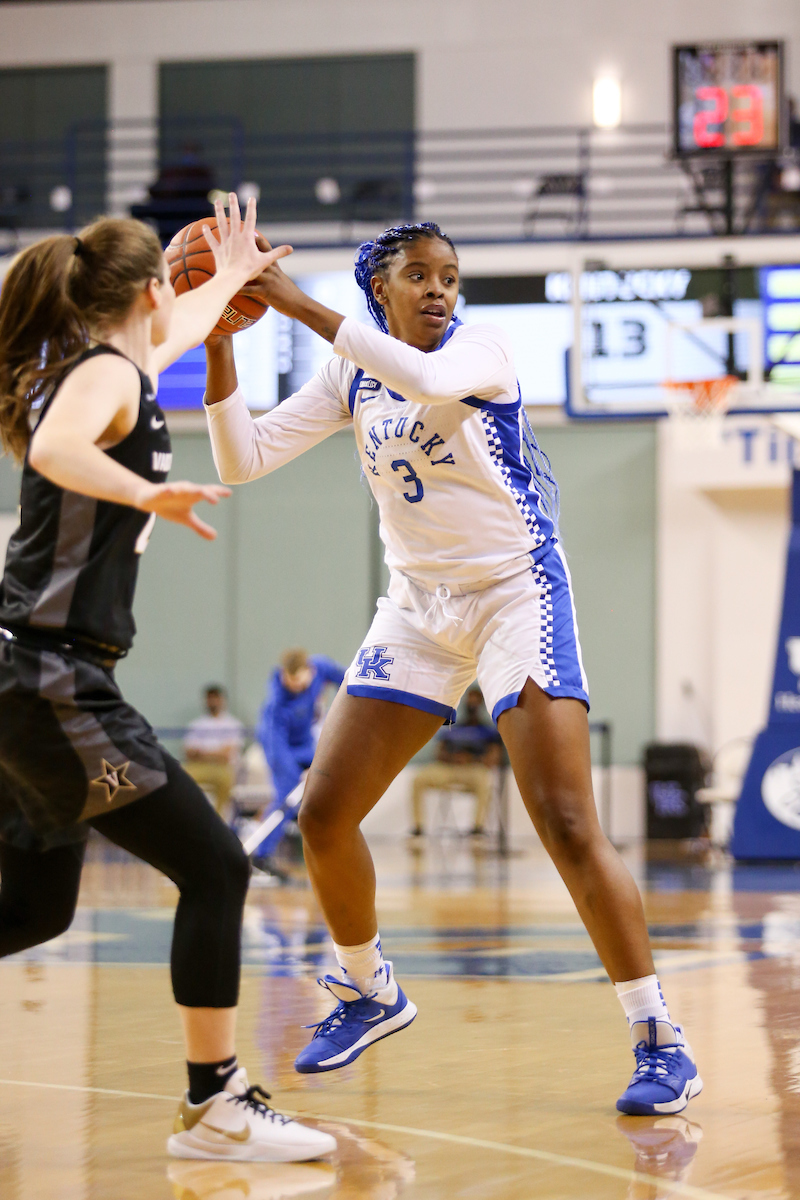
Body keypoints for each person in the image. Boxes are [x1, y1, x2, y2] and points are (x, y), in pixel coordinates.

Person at [202, 220, 702, 1116]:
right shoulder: (351, 370)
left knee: (563, 816)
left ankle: (659, 1034)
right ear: (379, 292)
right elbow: (241, 460)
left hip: (518, 589)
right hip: (420, 606)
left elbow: (427, 381)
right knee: (323, 813)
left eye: (449, 276)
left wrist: (289, 302)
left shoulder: (481, 346)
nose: (439, 290)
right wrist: (217, 348)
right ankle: (369, 988)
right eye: (417, 276)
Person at [0, 195, 335, 1163]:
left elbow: (180, 327)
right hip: (50, 678)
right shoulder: (102, 376)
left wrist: (229, 272)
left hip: (33, 677)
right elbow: (61, 450)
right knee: (216, 866)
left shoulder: (121, 361)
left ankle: (214, 1106)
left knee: (35, 908)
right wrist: (149, 491)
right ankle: (215, 1105)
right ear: (148, 290)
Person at [249, 648, 344, 872]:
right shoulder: (277, 703)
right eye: (289, 680)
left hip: (305, 743)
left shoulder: (320, 666)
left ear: (309, 671)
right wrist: (295, 773)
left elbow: (349, 678)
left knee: (330, 783)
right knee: (287, 800)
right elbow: (276, 749)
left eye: (298, 680)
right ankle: (261, 855)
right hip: (280, 749)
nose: (294, 686)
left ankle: (330, 850)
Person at [410, 685, 501, 837]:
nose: (471, 705)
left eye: (475, 701)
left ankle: (478, 828)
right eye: (469, 701)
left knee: (485, 781)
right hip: (449, 768)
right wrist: (454, 758)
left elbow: (493, 758)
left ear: (480, 704)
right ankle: (418, 827)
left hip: (473, 770)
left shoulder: (488, 731)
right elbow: (439, 753)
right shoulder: (453, 729)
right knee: (418, 779)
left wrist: (470, 758)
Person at [184, 683, 245, 816]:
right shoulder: (197, 724)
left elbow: (227, 754)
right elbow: (189, 752)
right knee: (180, 777)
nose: (212, 702)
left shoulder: (232, 724)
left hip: (223, 768)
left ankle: (218, 821)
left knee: (226, 783)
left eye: (215, 698)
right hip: (200, 767)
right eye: (209, 698)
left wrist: (202, 753)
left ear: (222, 700)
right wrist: (215, 753)